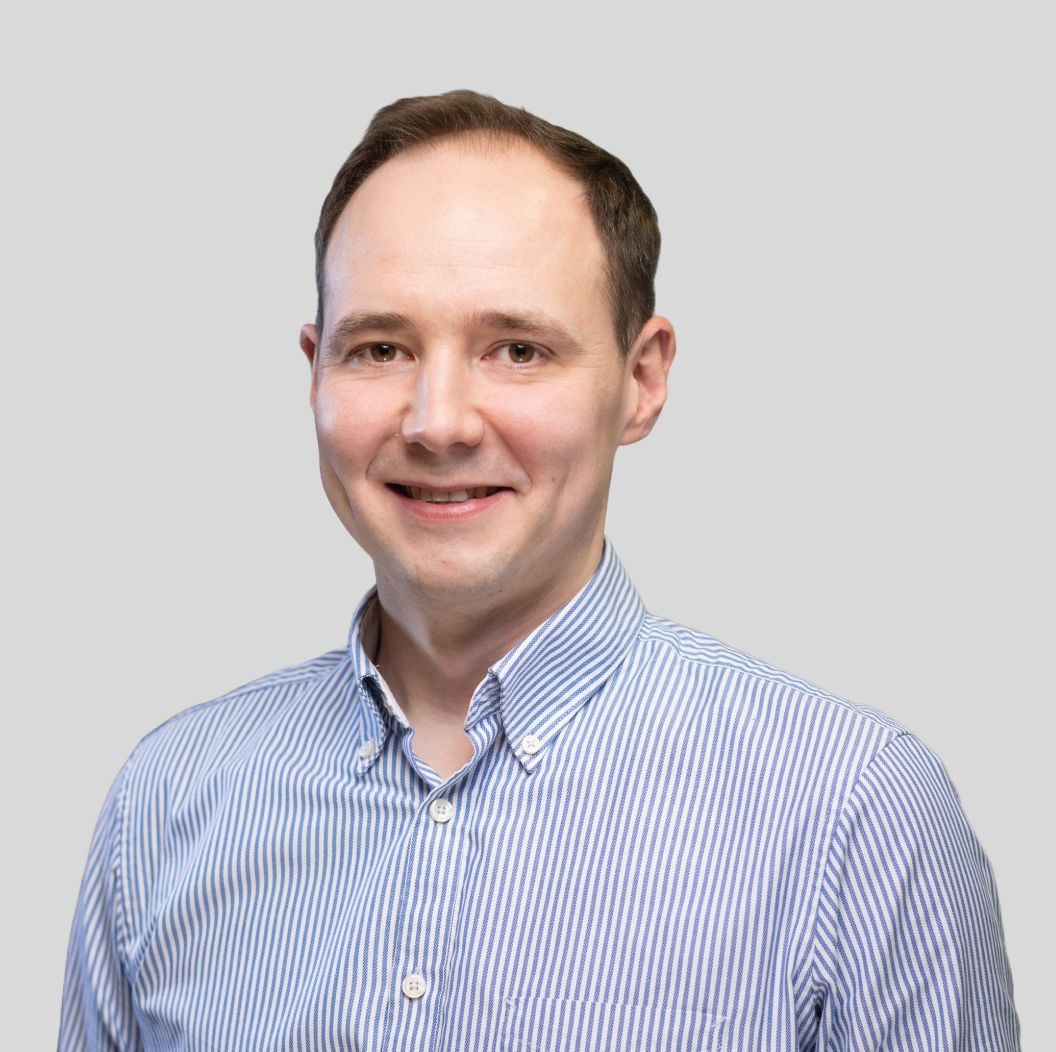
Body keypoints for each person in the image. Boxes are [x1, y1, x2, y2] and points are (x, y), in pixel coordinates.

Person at [58, 91, 1019, 1052]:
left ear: (641, 380)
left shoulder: (854, 813)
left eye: (517, 350)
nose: (438, 422)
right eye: (381, 348)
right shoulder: (165, 805)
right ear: (315, 373)